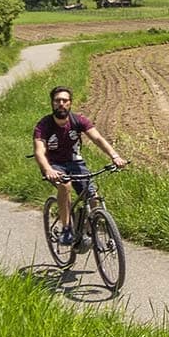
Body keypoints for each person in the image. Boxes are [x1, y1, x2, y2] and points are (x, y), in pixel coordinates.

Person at [33, 85, 127, 247]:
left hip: (76, 163)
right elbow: (39, 152)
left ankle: (88, 229)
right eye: (57, 101)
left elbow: (98, 139)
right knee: (65, 185)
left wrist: (115, 156)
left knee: (93, 196)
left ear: (70, 103)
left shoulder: (78, 120)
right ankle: (67, 228)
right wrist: (48, 169)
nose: (61, 104)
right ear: (52, 103)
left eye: (65, 100)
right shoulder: (43, 126)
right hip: (54, 165)